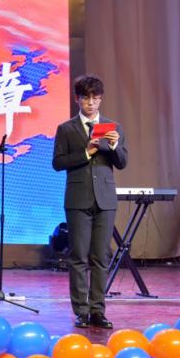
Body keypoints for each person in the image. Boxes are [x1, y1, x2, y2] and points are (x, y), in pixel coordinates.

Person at [52, 74, 127, 330]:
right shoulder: (66, 129)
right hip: (78, 199)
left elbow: (122, 163)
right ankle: (81, 312)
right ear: (77, 99)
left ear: (101, 99)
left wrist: (114, 147)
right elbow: (57, 163)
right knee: (79, 257)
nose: (91, 103)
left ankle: (98, 310)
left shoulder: (113, 128)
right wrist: (85, 153)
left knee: (100, 257)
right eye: (86, 98)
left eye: (95, 98)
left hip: (105, 199)